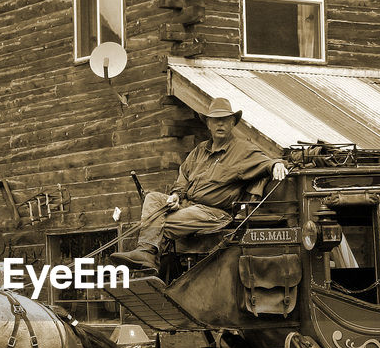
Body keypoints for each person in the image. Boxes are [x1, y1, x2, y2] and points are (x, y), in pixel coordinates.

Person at [111, 97, 288, 274]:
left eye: (225, 120)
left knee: (158, 222)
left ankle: (149, 256)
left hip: (214, 213)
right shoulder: (199, 151)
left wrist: (277, 164)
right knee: (153, 199)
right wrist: (176, 196)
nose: (220, 124)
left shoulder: (242, 150)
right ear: (208, 124)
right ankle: (146, 254)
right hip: (188, 206)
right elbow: (183, 177)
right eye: (216, 120)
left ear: (232, 122)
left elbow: (268, 161)